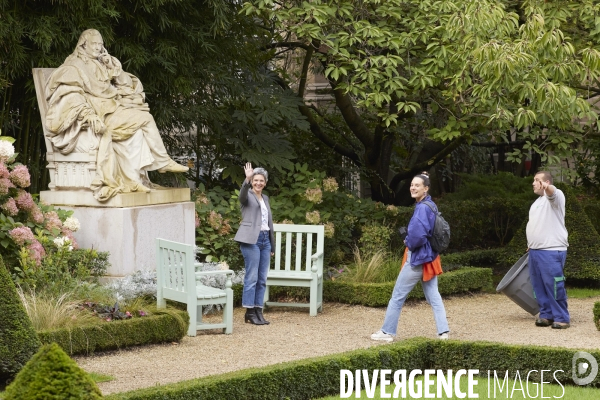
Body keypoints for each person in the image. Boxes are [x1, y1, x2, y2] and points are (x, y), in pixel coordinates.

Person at [44, 29, 188, 201]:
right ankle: (163, 162)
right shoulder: (73, 66)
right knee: (145, 119)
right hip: (98, 116)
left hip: (111, 108)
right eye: (95, 44)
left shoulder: (100, 63)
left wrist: (112, 66)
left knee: (138, 128)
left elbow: (126, 83)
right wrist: (87, 114)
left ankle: (132, 181)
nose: (98, 48)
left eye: (101, 44)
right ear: (83, 44)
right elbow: (69, 94)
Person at [371, 172, 450, 342]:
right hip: (430, 257)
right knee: (434, 296)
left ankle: (387, 332)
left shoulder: (421, 208)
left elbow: (417, 237)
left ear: (425, 188)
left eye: (417, 185)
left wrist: (407, 240)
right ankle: (443, 332)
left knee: (397, 296)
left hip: (417, 259)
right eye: (412, 185)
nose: (413, 188)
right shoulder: (431, 205)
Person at [527, 171, 570, 329]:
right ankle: (546, 315)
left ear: (546, 182)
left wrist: (548, 187)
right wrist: (532, 243)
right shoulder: (537, 202)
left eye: (536, 180)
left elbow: (552, 192)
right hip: (535, 250)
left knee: (554, 285)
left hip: (551, 251)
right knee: (538, 285)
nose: (533, 183)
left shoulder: (556, 197)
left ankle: (562, 318)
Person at [233, 163, 275, 325]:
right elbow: (241, 195)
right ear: (252, 181)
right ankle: (249, 312)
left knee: (262, 278)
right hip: (251, 240)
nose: (258, 183)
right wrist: (246, 178)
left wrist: (272, 245)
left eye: (261, 181)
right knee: (252, 277)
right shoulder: (247, 196)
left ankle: (258, 310)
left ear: (265, 183)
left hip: (265, 240)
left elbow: (269, 222)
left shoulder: (265, 198)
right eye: (256, 180)